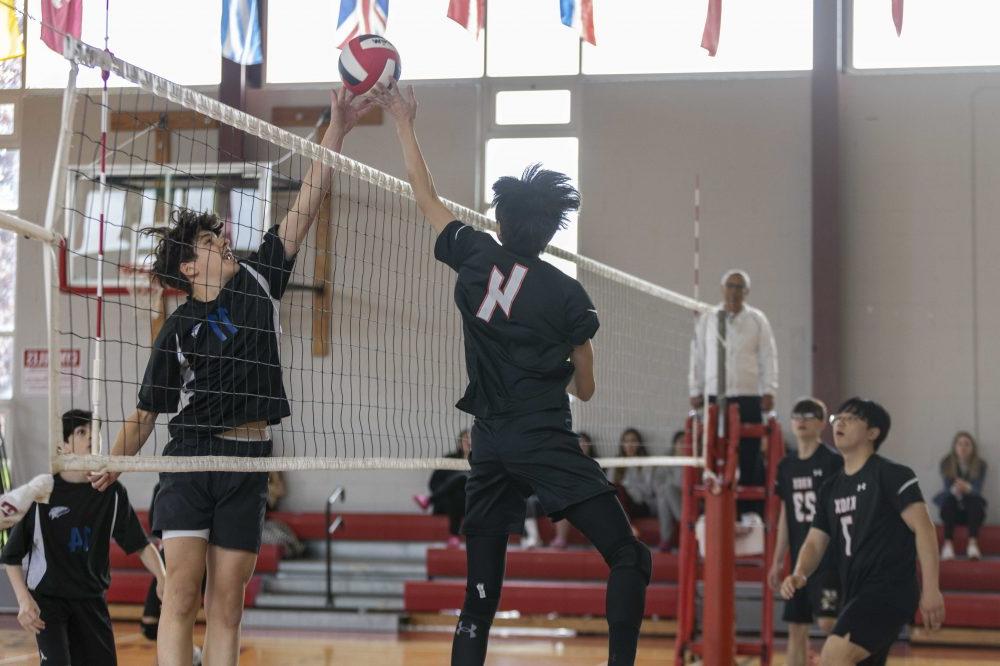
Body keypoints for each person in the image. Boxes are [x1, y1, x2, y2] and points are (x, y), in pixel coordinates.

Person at [87, 88, 371, 666]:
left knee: (228, 603)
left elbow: (308, 203)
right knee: (181, 591)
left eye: (222, 236)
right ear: (189, 266)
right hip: (191, 459)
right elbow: (146, 413)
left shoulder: (261, 277)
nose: (223, 240)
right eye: (210, 241)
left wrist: (336, 129)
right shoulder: (177, 329)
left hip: (248, 462)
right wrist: (111, 462)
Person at [372, 82, 651, 666]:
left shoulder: (475, 254)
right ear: (553, 230)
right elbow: (587, 388)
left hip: (489, 443)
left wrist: (403, 120)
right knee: (629, 557)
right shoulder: (568, 295)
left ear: (500, 220)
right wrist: (564, 359)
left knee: (479, 602)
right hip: (543, 436)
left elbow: (426, 197)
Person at [781, 398, 945, 665]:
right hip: (854, 591)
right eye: (837, 418)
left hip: (889, 589)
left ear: (872, 433)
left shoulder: (892, 474)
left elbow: (924, 529)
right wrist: (799, 572)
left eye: (851, 418)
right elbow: (814, 541)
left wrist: (931, 590)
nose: (840, 422)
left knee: (833, 656)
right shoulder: (830, 489)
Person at [1, 410, 166, 666]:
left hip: (91, 601)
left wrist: (163, 577)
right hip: (49, 603)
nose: (91, 438)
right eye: (81, 432)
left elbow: (141, 545)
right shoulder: (42, 493)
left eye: (94, 432)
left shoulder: (111, 493)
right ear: (63, 445)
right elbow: (11, 557)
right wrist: (24, 601)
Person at [689, 269, 778, 516]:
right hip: (714, 394)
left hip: (748, 394)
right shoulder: (707, 318)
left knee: (749, 451)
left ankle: (749, 510)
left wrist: (769, 389)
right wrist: (695, 388)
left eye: (740, 287)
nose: (734, 291)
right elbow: (697, 356)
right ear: (722, 289)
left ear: (747, 292)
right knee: (712, 450)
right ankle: (713, 508)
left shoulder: (758, 320)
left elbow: (768, 357)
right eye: (730, 286)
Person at [768, 398, 843, 666]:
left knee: (828, 623)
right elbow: (786, 517)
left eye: (809, 415)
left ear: (822, 423)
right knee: (796, 627)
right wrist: (778, 561)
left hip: (829, 558)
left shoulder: (833, 462)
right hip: (799, 560)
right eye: (797, 415)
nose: (801, 419)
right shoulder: (786, 466)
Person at [414, 429, 472, 548]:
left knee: (463, 478)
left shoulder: (478, 461)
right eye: (465, 439)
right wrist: (446, 492)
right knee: (457, 491)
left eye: (471, 439)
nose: (468, 442)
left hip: (471, 504)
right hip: (448, 503)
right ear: (459, 443)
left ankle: (429, 500)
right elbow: (433, 483)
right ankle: (454, 536)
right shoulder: (449, 458)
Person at [936, 431, 987, 561]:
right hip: (952, 511)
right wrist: (956, 489)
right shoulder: (946, 463)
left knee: (974, 499)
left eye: (967, 444)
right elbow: (947, 489)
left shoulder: (980, 464)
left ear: (972, 448)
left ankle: (973, 544)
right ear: (955, 447)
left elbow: (977, 489)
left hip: (972, 512)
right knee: (949, 501)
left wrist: (967, 488)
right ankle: (948, 545)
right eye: (960, 444)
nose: (963, 448)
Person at [549, 431, 597, 549]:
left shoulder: (595, 464)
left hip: (591, 496)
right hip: (570, 497)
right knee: (563, 500)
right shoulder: (566, 464)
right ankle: (561, 538)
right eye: (577, 442)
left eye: (583, 442)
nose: (581, 445)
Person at [262, 471, 306, 558]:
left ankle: (298, 549)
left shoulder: (268, 483)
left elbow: (281, 490)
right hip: (254, 528)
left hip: (266, 522)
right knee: (275, 536)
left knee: (282, 529)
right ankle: (288, 551)